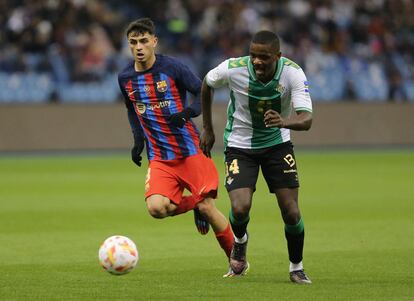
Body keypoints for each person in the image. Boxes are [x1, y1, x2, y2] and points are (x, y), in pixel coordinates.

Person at [117, 18, 234, 273]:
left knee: (208, 207)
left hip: (190, 150)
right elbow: (131, 109)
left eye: (144, 41)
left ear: (154, 42)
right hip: (160, 157)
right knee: (157, 209)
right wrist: (138, 140)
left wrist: (189, 112)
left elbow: (204, 90)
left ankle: (236, 261)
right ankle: (195, 204)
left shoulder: (172, 68)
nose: (139, 47)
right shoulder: (125, 77)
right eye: (133, 42)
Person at [200, 30, 313, 283]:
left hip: (277, 145)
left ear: (278, 56)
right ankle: (240, 241)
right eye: (253, 55)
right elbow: (207, 83)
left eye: (264, 57)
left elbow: (306, 119)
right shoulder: (233, 68)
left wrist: (284, 121)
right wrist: (207, 127)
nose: (257, 61)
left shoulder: (292, 73)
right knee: (240, 208)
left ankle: (296, 267)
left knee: (291, 212)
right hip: (240, 145)